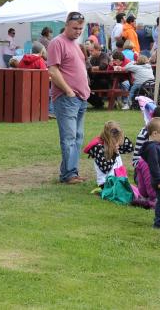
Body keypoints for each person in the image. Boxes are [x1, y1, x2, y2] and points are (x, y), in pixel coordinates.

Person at [47, 11, 91, 184]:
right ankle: (69, 174)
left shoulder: (75, 44)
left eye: (81, 28)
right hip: (68, 98)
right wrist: (68, 90)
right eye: (75, 28)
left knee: (78, 136)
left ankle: (71, 172)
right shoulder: (57, 43)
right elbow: (53, 70)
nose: (78, 31)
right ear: (66, 25)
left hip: (80, 97)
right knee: (69, 137)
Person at [83, 121, 133, 186]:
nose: (117, 142)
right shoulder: (99, 148)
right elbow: (105, 169)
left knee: (133, 192)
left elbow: (129, 148)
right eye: (115, 139)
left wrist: (122, 137)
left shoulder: (114, 142)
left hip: (119, 179)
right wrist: (114, 153)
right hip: (106, 183)